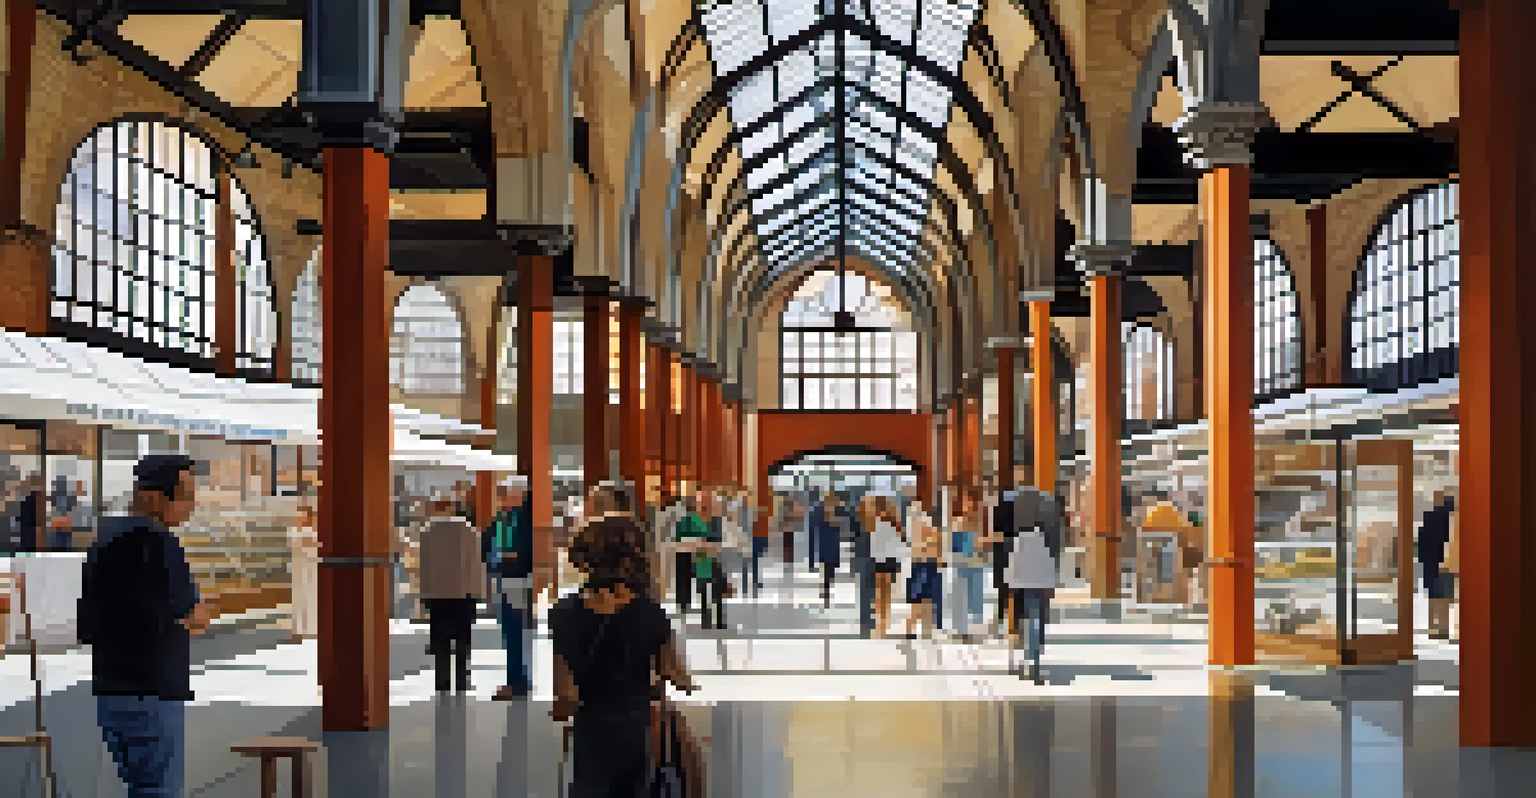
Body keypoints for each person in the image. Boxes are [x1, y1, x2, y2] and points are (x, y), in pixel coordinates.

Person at [78, 454, 211, 798]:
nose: (191, 506)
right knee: (158, 789)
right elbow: (194, 614)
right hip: (153, 690)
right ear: (152, 496)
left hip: (110, 689)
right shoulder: (160, 542)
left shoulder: (104, 539)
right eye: (184, 496)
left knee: (141, 786)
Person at [551, 524, 700, 798]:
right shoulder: (651, 613)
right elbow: (676, 675)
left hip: (590, 730)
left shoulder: (563, 613)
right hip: (638, 728)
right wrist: (684, 682)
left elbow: (565, 695)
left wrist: (563, 710)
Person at [420, 490, 483, 693]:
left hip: (437, 594)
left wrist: (424, 594)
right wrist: (478, 591)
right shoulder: (468, 530)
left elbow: (424, 566)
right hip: (463, 593)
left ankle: (442, 681)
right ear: (453, 506)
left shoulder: (428, 531)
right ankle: (462, 681)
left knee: (440, 641)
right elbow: (476, 564)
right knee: (463, 641)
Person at [1004, 489, 1064, 684]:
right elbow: (1051, 561)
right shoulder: (1047, 537)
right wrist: (1052, 584)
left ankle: (1024, 661)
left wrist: (1009, 585)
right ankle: (1033, 660)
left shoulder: (1019, 537)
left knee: (1022, 622)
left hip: (1022, 584)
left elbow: (1013, 563)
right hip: (1040, 583)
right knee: (1037, 620)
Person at [483, 475, 534, 700]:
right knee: (509, 630)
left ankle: (518, 682)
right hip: (503, 578)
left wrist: (503, 557)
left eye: (506, 492)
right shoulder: (501, 518)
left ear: (519, 494)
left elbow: (523, 552)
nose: (501, 496)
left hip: (518, 580)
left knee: (515, 631)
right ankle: (515, 680)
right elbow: (486, 545)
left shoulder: (523, 519)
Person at [1417, 489, 1457, 640]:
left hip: (1430, 562)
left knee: (1433, 596)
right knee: (1444, 598)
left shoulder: (1429, 516)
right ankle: (1443, 629)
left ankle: (1433, 627)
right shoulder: (1451, 519)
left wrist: (1423, 559)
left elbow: (1422, 540)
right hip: (1444, 562)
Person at [950, 489, 987, 640]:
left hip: (975, 563)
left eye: (971, 502)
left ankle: (969, 629)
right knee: (960, 597)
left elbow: (981, 544)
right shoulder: (957, 522)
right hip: (961, 563)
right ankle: (961, 630)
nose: (969, 505)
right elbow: (953, 544)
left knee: (974, 598)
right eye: (966, 502)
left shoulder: (978, 523)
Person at [870, 494, 908, 638]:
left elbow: (876, 543)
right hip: (889, 559)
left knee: (880, 594)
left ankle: (881, 625)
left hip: (882, 559)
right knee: (885, 594)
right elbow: (900, 541)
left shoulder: (877, 522)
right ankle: (883, 624)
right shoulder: (894, 523)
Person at [902, 498, 941, 640]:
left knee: (922, 600)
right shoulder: (920, 522)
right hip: (923, 564)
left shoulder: (916, 522)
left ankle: (918, 630)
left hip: (923, 564)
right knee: (921, 600)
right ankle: (917, 630)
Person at [289, 504, 320, 641]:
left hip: (311, 570)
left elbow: (315, 548)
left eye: (303, 515)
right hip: (299, 570)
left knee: (311, 599)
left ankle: (311, 629)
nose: (300, 518)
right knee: (299, 600)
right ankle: (299, 629)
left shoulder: (312, 532)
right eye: (299, 515)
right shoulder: (294, 532)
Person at [810, 492, 844, 611]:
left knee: (831, 570)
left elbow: (843, 527)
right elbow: (814, 530)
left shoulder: (838, 512)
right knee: (826, 569)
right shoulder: (819, 512)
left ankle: (827, 590)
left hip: (833, 545)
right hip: (825, 545)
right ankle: (826, 592)